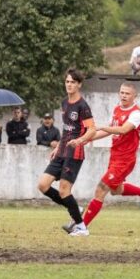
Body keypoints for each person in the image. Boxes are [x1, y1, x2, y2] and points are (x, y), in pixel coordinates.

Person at [65, 82, 140, 234]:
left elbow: (123, 130)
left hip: (125, 160)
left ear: (134, 96)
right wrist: (85, 140)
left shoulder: (136, 113)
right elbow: (108, 131)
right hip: (115, 157)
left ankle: (82, 227)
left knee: (101, 189)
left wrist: (101, 126)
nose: (124, 96)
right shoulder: (117, 109)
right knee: (115, 190)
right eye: (122, 92)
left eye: (127, 93)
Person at [37, 68, 96, 237]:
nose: (69, 85)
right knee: (43, 185)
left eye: (73, 82)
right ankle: (75, 208)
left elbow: (92, 129)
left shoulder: (83, 106)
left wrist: (80, 140)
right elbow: (66, 130)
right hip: (62, 151)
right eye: (67, 82)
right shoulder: (64, 103)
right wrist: (57, 147)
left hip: (75, 153)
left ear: (79, 85)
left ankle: (81, 227)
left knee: (64, 190)